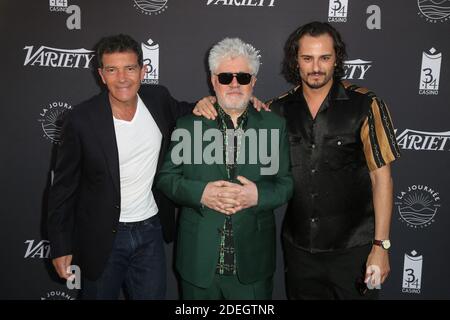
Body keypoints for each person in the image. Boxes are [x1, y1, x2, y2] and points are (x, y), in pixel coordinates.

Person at [47, 34, 223, 299]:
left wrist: (209, 102)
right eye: (112, 70)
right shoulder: (81, 120)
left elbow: (189, 111)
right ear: (101, 75)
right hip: (101, 237)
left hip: (150, 232)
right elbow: (62, 189)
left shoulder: (158, 98)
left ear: (143, 70)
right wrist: (60, 245)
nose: (122, 78)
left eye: (129, 68)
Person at [268, 21, 401, 299]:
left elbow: (382, 179)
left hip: (356, 252)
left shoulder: (366, 104)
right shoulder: (277, 109)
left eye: (324, 58)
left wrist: (381, 247)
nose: (316, 67)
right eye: (307, 58)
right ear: (296, 60)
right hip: (299, 251)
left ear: (337, 58)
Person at [156, 38, 293, 300]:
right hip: (198, 264)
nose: (233, 84)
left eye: (242, 77)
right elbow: (166, 179)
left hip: (252, 265)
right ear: (212, 79)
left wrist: (259, 196)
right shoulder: (188, 124)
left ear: (253, 81)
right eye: (225, 76)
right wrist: (201, 193)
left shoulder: (274, 125)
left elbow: (285, 183)